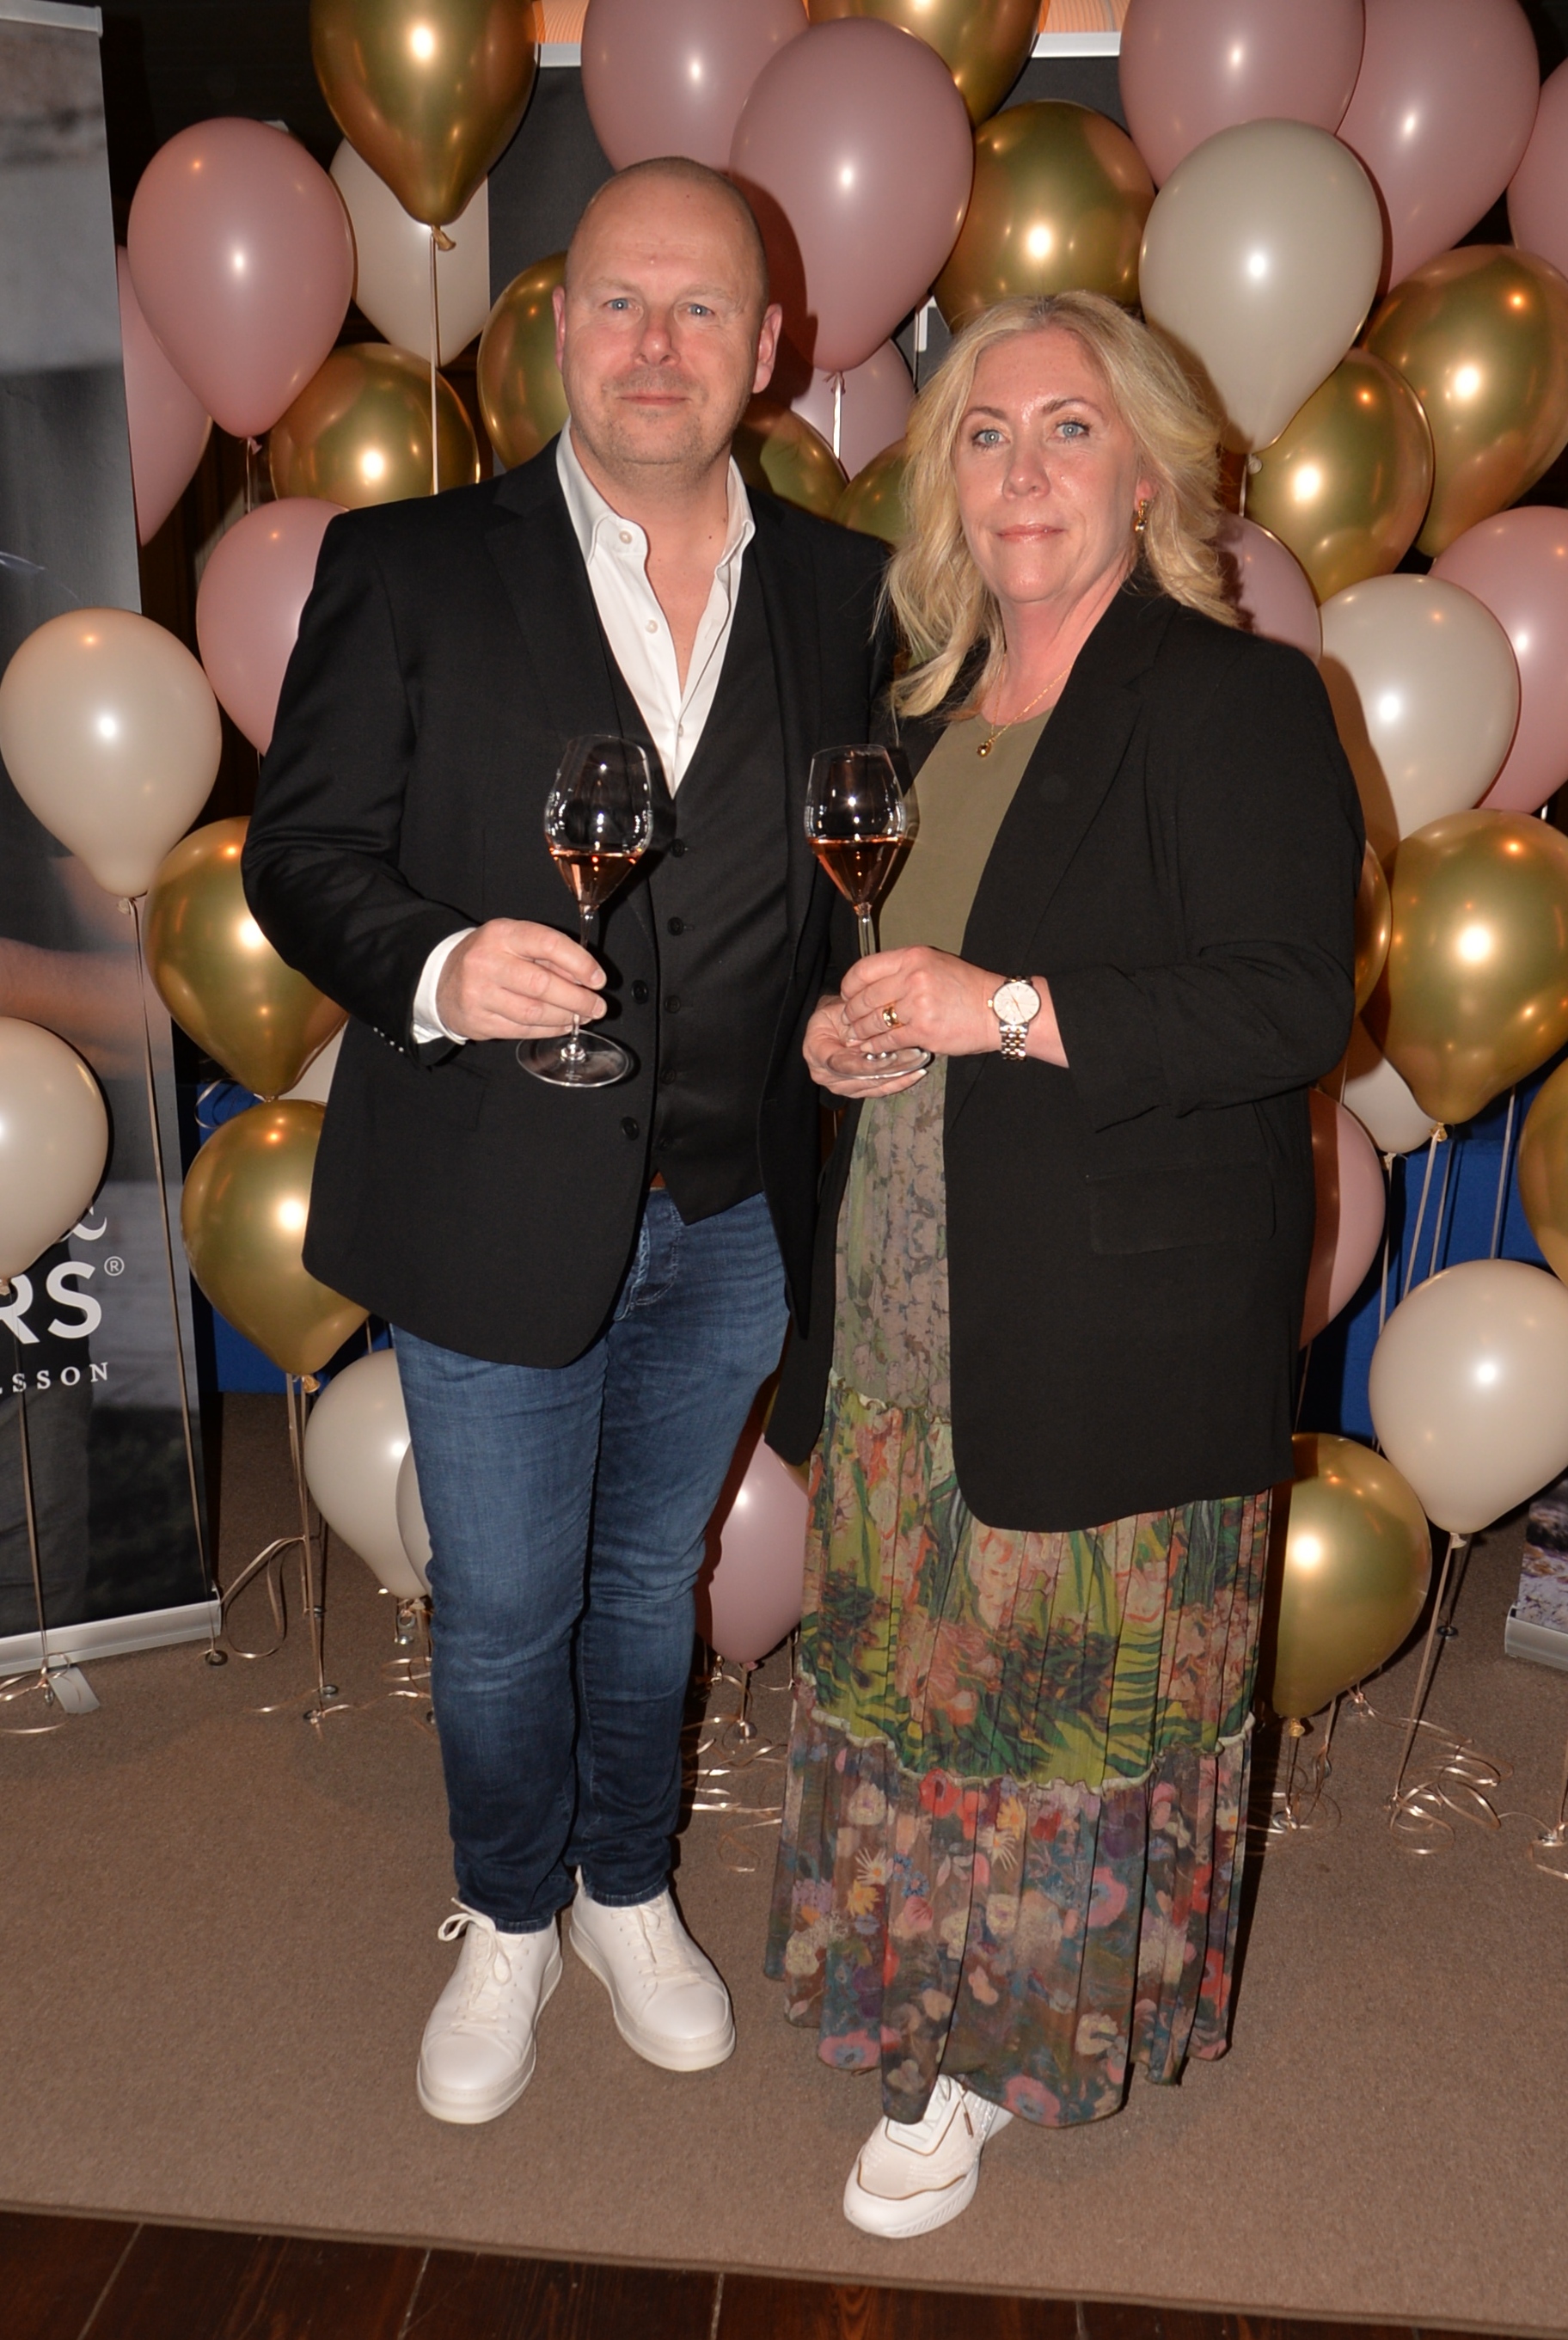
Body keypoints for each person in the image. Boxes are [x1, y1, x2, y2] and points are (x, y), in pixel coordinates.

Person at [243, 157, 891, 2126]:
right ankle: (508, 1909)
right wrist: (440, 965)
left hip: (739, 1202)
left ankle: (623, 1886)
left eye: (701, 309)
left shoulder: (854, 592)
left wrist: (862, 1006)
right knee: (509, 1603)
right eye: (619, 301)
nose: (657, 345)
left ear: (766, 348)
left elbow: (869, 862)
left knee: (645, 1581)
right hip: (487, 1188)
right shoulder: (409, 565)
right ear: (555, 331)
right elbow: (301, 855)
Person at [765, 292, 1363, 2239]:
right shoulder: (925, 714)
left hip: (1109, 1301)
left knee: (1042, 1692)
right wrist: (847, 1030)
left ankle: (980, 2049)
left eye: (1070, 428)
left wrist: (1003, 1007)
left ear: (1151, 471)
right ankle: (913, 1986)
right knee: (911, 1663)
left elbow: (1289, 1002)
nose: (1024, 470)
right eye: (985, 432)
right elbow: (884, 967)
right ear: (947, 479)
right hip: (903, 1283)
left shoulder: (1233, 697)